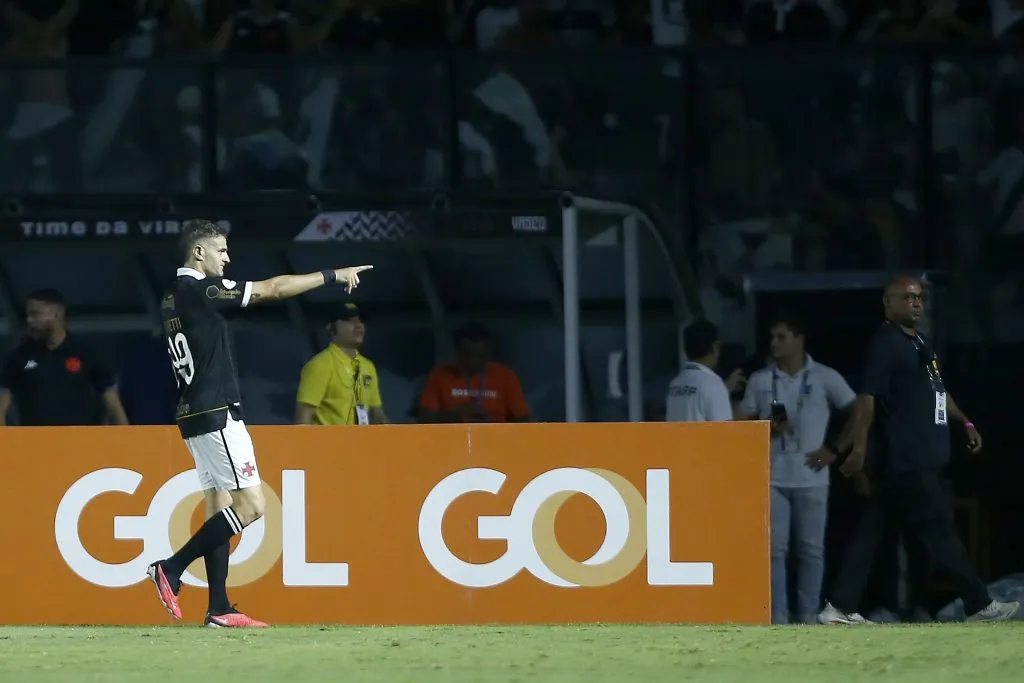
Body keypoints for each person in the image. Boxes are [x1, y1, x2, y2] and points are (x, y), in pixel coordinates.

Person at [147, 219, 372, 627]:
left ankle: (219, 608)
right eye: (221, 250)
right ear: (198, 253)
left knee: (219, 506)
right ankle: (171, 567)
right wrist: (332, 275)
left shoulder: (170, 297)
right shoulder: (202, 290)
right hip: (216, 410)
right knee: (252, 507)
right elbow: (272, 289)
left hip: (192, 413)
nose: (227, 258)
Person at [808, 276, 1020, 624]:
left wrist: (965, 421)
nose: (916, 303)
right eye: (907, 297)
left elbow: (939, 391)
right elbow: (867, 399)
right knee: (941, 535)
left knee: (870, 534)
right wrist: (857, 448)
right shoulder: (885, 343)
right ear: (887, 303)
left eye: (919, 297)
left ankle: (839, 608)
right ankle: (979, 605)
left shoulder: (922, 343)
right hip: (908, 461)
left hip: (911, 463)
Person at [739, 311, 855, 624]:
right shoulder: (762, 379)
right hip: (773, 475)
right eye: (772, 338)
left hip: (812, 476)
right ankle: (778, 616)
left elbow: (857, 410)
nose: (774, 344)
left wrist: (835, 449)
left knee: (811, 550)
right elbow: (742, 422)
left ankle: (807, 616)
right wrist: (767, 427)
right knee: (775, 551)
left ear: (799, 339)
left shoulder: (824, 376)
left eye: (782, 337)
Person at [0, 288, 129, 426]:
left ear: (57, 314)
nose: (29, 320)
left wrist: (127, 436)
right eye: (28, 315)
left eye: (35, 314)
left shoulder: (86, 353)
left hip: (80, 437)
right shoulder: (19, 356)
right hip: (35, 438)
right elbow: (2, 405)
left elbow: (113, 405)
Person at [294, 303, 388, 425]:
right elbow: (303, 419)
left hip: (360, 437)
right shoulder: (320, 366)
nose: (358, 325)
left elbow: (377, 412)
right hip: (328, 438)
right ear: (331, 328)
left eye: (361, 320)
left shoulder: (368, 366)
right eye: (349, 320)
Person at [417, 323, 530, 423]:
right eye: (468, 355)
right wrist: (454, 415)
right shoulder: (439, 375)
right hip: (452, 436)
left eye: (480, 356)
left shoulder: (505, 376)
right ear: (457, 352)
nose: (473, 362)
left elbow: (524, 420)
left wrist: (492, 422)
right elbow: (423, 420)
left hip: (496, 436)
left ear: (489, 353)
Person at [665, 319, 745, 422]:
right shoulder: (713, 385)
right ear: (714, 347)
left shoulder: (674, 385)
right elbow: (724, 429)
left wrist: (724, 389)